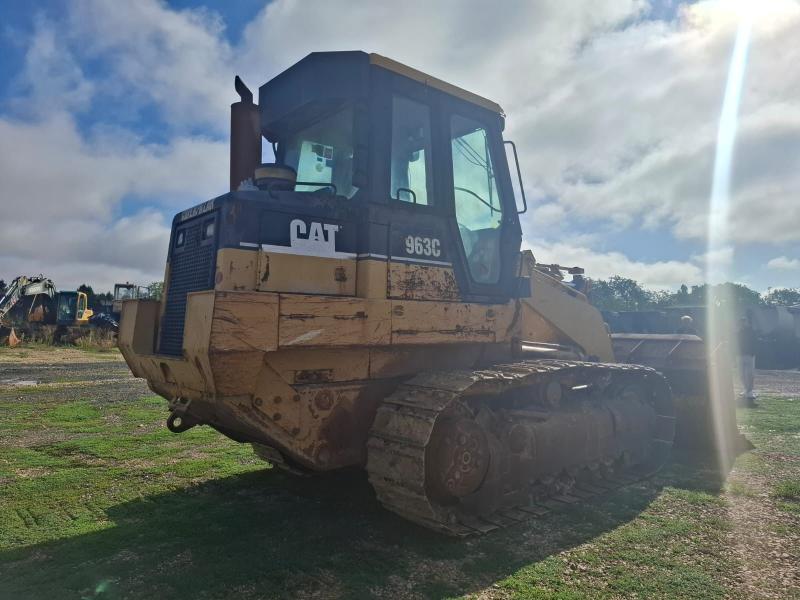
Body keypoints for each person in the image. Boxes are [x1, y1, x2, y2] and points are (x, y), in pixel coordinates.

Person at [737, 315, 758, 407]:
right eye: (741, 322)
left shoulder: (751, 331)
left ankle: (750, 391)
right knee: (741, 374)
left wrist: (753, 353)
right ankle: (746, 389)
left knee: (749, 374)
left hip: (749, 355)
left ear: (747, 323)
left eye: (744, 322)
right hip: (740, 355)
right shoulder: (739, 332)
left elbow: (755, 342)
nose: (742, 324)